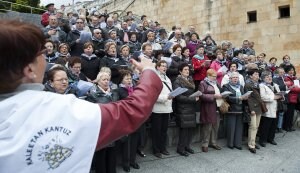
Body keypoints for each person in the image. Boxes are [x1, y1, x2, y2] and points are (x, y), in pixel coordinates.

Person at [0, 20, 162, 172]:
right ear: (29, 69)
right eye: (41, 53)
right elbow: (131, 112)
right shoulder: (60, 108)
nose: (45, 58)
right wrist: (149, 71)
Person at [86, 71, 119, 173]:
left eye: (107, 80)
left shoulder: (114, 93)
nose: (106, 82)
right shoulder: (93, 94)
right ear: (98, 81)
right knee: (101, 153)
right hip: (100, 126)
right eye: (103, 80)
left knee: (112, 152)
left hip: (112, 125)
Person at [173, 63, 198, 156]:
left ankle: (187, 146)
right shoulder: (177, 82)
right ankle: (180, 148)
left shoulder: (190, 79)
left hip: (191, 107)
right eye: (185, 70)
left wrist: (196, 96)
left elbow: (191, 93)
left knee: (190, 129)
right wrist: (192, 99)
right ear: (180, 71)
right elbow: (178, 97)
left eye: (188, 69)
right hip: (183, 108)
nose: (187, 71)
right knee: (184, 130)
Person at [151, 60, 173, 158]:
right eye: (162, 66)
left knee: (164, 130)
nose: (164, 68)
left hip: (167, 108)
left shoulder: (167, 78)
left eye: (165, 66)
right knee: (156, 131)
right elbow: (153, 95)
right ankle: (156, 150)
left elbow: (169, 92)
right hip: (158, 109)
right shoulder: (155, 78)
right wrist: (166, 98)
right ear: (158, 67)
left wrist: (172, 95)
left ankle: (163, 148)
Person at [222, 72, 248, 150]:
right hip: (231, 109)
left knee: (239, 127)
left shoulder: (241, 86)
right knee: (231, 127)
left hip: (240, 109)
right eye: (234, 77)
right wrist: (238, 99)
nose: (236, 79)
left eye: (237, 77)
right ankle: (230, 143)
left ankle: (238, 143)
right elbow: (226, 97)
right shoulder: (226, 86)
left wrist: (246, 97)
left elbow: (243, 95)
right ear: (230, 78)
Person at [199, 69, 222, 153]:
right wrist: (213, 96)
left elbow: (220, 91)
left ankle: (214, 142)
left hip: (217, 106)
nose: (215, 78)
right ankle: (205, 144)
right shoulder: (203, 83)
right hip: (208, 107)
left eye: (216, 76)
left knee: (216, 126)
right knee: (207, 127)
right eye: (213, 76)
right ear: (208, 75)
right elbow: (201, 95)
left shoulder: (216, 83)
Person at [258, 71, 282, 147]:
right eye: (267, 77)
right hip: (268, 108)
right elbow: (262, 97)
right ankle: (262, 140)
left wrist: (282, 96)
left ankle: (271, 139)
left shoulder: (275, 85)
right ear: (263, 78)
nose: (269, 78)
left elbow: (279, 93)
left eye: (270, 76)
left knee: (273, 125)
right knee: (265, 125)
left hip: (275, 107)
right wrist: (273, 97)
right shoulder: (262, 86)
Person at [244, 69, 263, 154]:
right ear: (251, 76)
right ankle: (251, 145)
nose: (257, 76)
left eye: (258, 74)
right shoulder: (248, 84)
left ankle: (253, 142)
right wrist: (251, 109)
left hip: (259, 107)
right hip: (253, 108)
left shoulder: (258, 84)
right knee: (253, 126)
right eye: (255, 74)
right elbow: (249, 98)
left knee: (257, 126)